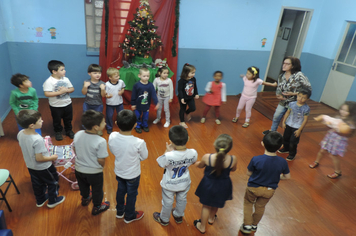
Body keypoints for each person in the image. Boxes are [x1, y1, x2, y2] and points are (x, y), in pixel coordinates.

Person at [240, 131, 290, 234]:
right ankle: (254, 225)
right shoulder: (283, 161)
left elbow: (249, 173)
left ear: (262, 143)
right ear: (281, 146)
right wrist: (278, 176)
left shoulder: (256, 159)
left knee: (248, 204)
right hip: (269, 190)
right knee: (260, 207)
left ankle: (247, 226)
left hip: (253, 188)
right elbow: (287, 176)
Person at [16, 109, 65, 208]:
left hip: (30, 165)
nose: (42, 121)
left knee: (37, 184)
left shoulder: (20, 133)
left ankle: (40, 200)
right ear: (32, 125)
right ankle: (53, 201)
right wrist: (52, 157)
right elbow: (39, 158)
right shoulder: (37, 139)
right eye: (39, 120)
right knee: (53, 181)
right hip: (44, 167)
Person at [153, 125, 198, 226]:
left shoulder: (169, 156)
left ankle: (164, 219)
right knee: (182, 199)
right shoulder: (193, 152)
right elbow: (194, 161)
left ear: (171, 141)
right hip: (184, 182)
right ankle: (178, 216)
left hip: (169, 184)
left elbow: (160, 164)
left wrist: (167, 151)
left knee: (168, 202)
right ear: (188, 139)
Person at [108, 109, 148, 223]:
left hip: (119, 171)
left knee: (121, 191)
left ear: (116, 123)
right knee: (132, 194)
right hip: (133, 175)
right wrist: (136, 158)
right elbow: (144, 156)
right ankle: (129, 215)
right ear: (135, 125)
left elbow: (112, 150)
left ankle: (119, 212)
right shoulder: (139, 142)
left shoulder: (112, 136)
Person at [194, 134, 237, 234]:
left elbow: (200, 165)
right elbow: (233, 169)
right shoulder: (233, 159)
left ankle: (202, 227)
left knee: (206, 206)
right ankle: (211, 219)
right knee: (216, 203)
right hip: (223, 185)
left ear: (215, 145)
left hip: (208, 185)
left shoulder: (207, 157)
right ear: (229, 148)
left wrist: (195, 163)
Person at [73, 110, 110, 215]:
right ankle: (97, 206)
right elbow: (101, 159)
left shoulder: (78, 134)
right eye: (103, 122)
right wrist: (101, 167)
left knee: (83, 186)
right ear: (96, 127)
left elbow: (75, 149)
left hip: (79, 169)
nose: (105, 124)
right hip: (94, 172)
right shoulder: (100, 141)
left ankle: (85, 199)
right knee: (97, 189)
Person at [262, 57, 312, 134]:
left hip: (296, 103)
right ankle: (273, 131)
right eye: (284, 63)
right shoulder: (281, 76)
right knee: (276, 116)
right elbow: (279, 87)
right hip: (283, 101)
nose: (284, 65)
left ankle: (288, 136)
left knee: (291, 120)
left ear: (293, 66)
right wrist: (278, 95)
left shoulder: (299, 75)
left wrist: (294, 93)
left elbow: (308, 89)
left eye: (287, 64)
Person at [309, 101, 356, 179]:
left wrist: (339, 127)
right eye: (342, 109)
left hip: (339, 140)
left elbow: (345, 132)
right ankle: (316, 161)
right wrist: (328, 123)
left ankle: (338, 171)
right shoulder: (338, 118)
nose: (343, 112)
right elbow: (331, 126)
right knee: (322, 150)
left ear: (351, 112)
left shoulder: (351, 123)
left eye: (346, 111)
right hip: (331, 137)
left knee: (333, 156)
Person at [43, 60, 75, 141]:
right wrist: (59, 92)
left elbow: (72, 89)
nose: (65, 71)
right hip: (56, 106)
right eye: (62, 70)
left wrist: (66, 90)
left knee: (68, 119)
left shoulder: (66, 79)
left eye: (64, 69)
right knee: (57, 120)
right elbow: (47, 93)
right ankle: (58, 131)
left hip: (67, 104)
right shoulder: (49, 81)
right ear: (54, 71)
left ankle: (68, 130)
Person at [278, 88, 311, 161]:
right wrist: (284, 122)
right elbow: (287, 113)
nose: (300, 98)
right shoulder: (292, 104)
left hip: (297, 127)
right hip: (289, 124)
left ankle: (292, 154)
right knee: (285, 138)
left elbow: (305, 120)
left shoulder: (306, 108)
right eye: (299, 96)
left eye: (303, 98)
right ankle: (286, 148)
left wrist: (299, 130)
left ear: (307, 99)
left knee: (293, 141)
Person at [131, 67, 159, 133]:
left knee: (145, 116)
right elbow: (133, 95)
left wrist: (156, 102)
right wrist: (133, 104)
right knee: (137, 116)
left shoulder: (150, 85)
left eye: (147, 76)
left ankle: (145, 125)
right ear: (139, 76)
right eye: (144, 76)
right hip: (138, 105)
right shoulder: (136, 85)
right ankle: (137, 126)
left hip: (146, 105)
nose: (146, 77)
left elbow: (153, 94)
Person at [177, 63, 199, 128]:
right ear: (186, 72)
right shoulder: (181, 81)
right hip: (183, 97)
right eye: (192, 73)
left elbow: (195, 87)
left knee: (193, 108)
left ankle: (187, 112)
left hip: (190, 97)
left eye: (194, 72)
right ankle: (182, 122)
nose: (193, 74)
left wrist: (196, 94)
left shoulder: (193, 79)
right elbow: (180, 90)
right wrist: (182, 98)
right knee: (182, 109)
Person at [105, 67, 126, 134]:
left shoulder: (121, 82)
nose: (118, 77)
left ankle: (122, 126)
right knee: (109, 116)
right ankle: (109, 127)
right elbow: (104, 94)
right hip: (110, 104)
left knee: (121, 115)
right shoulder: (107, 84)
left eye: (118, 76)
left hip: (119, 103)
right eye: (116, 76)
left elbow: (123, 88)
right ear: (110, 78)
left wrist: (122, 91)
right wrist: (107, 96)